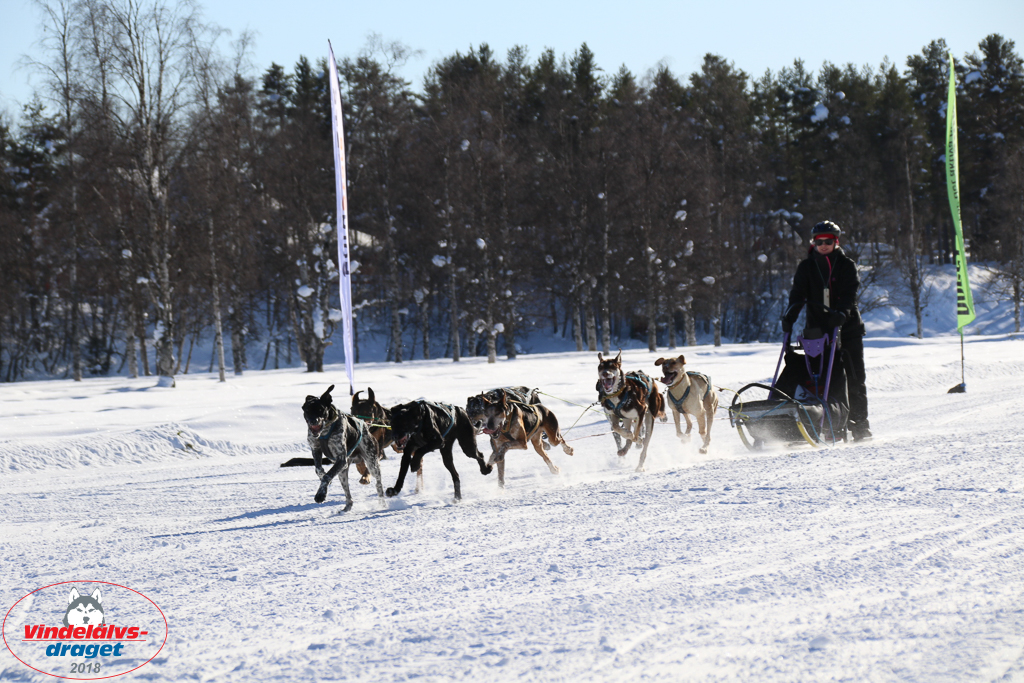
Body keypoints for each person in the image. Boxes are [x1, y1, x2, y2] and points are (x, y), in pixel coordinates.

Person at [781, 220, 871, 441]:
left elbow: (850, 294)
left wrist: (842, 313)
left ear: (835, 242)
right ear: (813, 242)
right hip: (817, 331)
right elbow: (797, 295)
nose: (823, 245)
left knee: (853, 377)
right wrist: (790, 316)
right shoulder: (807, 267)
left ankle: (860, 425)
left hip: (847, 329)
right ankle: (825, 424)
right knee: (820, 377)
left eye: (828, 241)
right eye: (819, 241)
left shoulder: (846, 265)